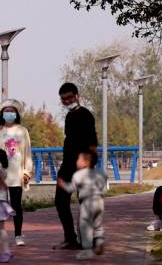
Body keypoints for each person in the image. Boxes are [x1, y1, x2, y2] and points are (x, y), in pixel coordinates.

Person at [54, 82, 98, 250]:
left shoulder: (86, 115)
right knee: (60, 201)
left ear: (77, 95)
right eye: (63, 99)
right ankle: (70, 238)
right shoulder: (69, 116)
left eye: (69, 97)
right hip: (67, 166)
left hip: (83, 165)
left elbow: (93, 143)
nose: (67, 101)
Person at [0, 99, 33, 247]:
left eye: (12, 111)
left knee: (16, 205)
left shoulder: (22, 131)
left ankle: (18, 234)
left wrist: (27, 171)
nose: (9, 113)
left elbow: (27, 153)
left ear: (16, 114)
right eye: (6, 111)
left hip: (16, 174)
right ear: (2, 113)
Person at [58, 150, 107, 260]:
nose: (76, 161)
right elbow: (104, 189)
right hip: (99, 202)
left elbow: (71, 188)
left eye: (78, 159)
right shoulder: (101, 173)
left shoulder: (78, 175)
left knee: (85, 227)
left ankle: (87, 250)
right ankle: (99, 241)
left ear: (86, 162)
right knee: (97, 225)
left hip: (87, 203)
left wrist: (62, 184)